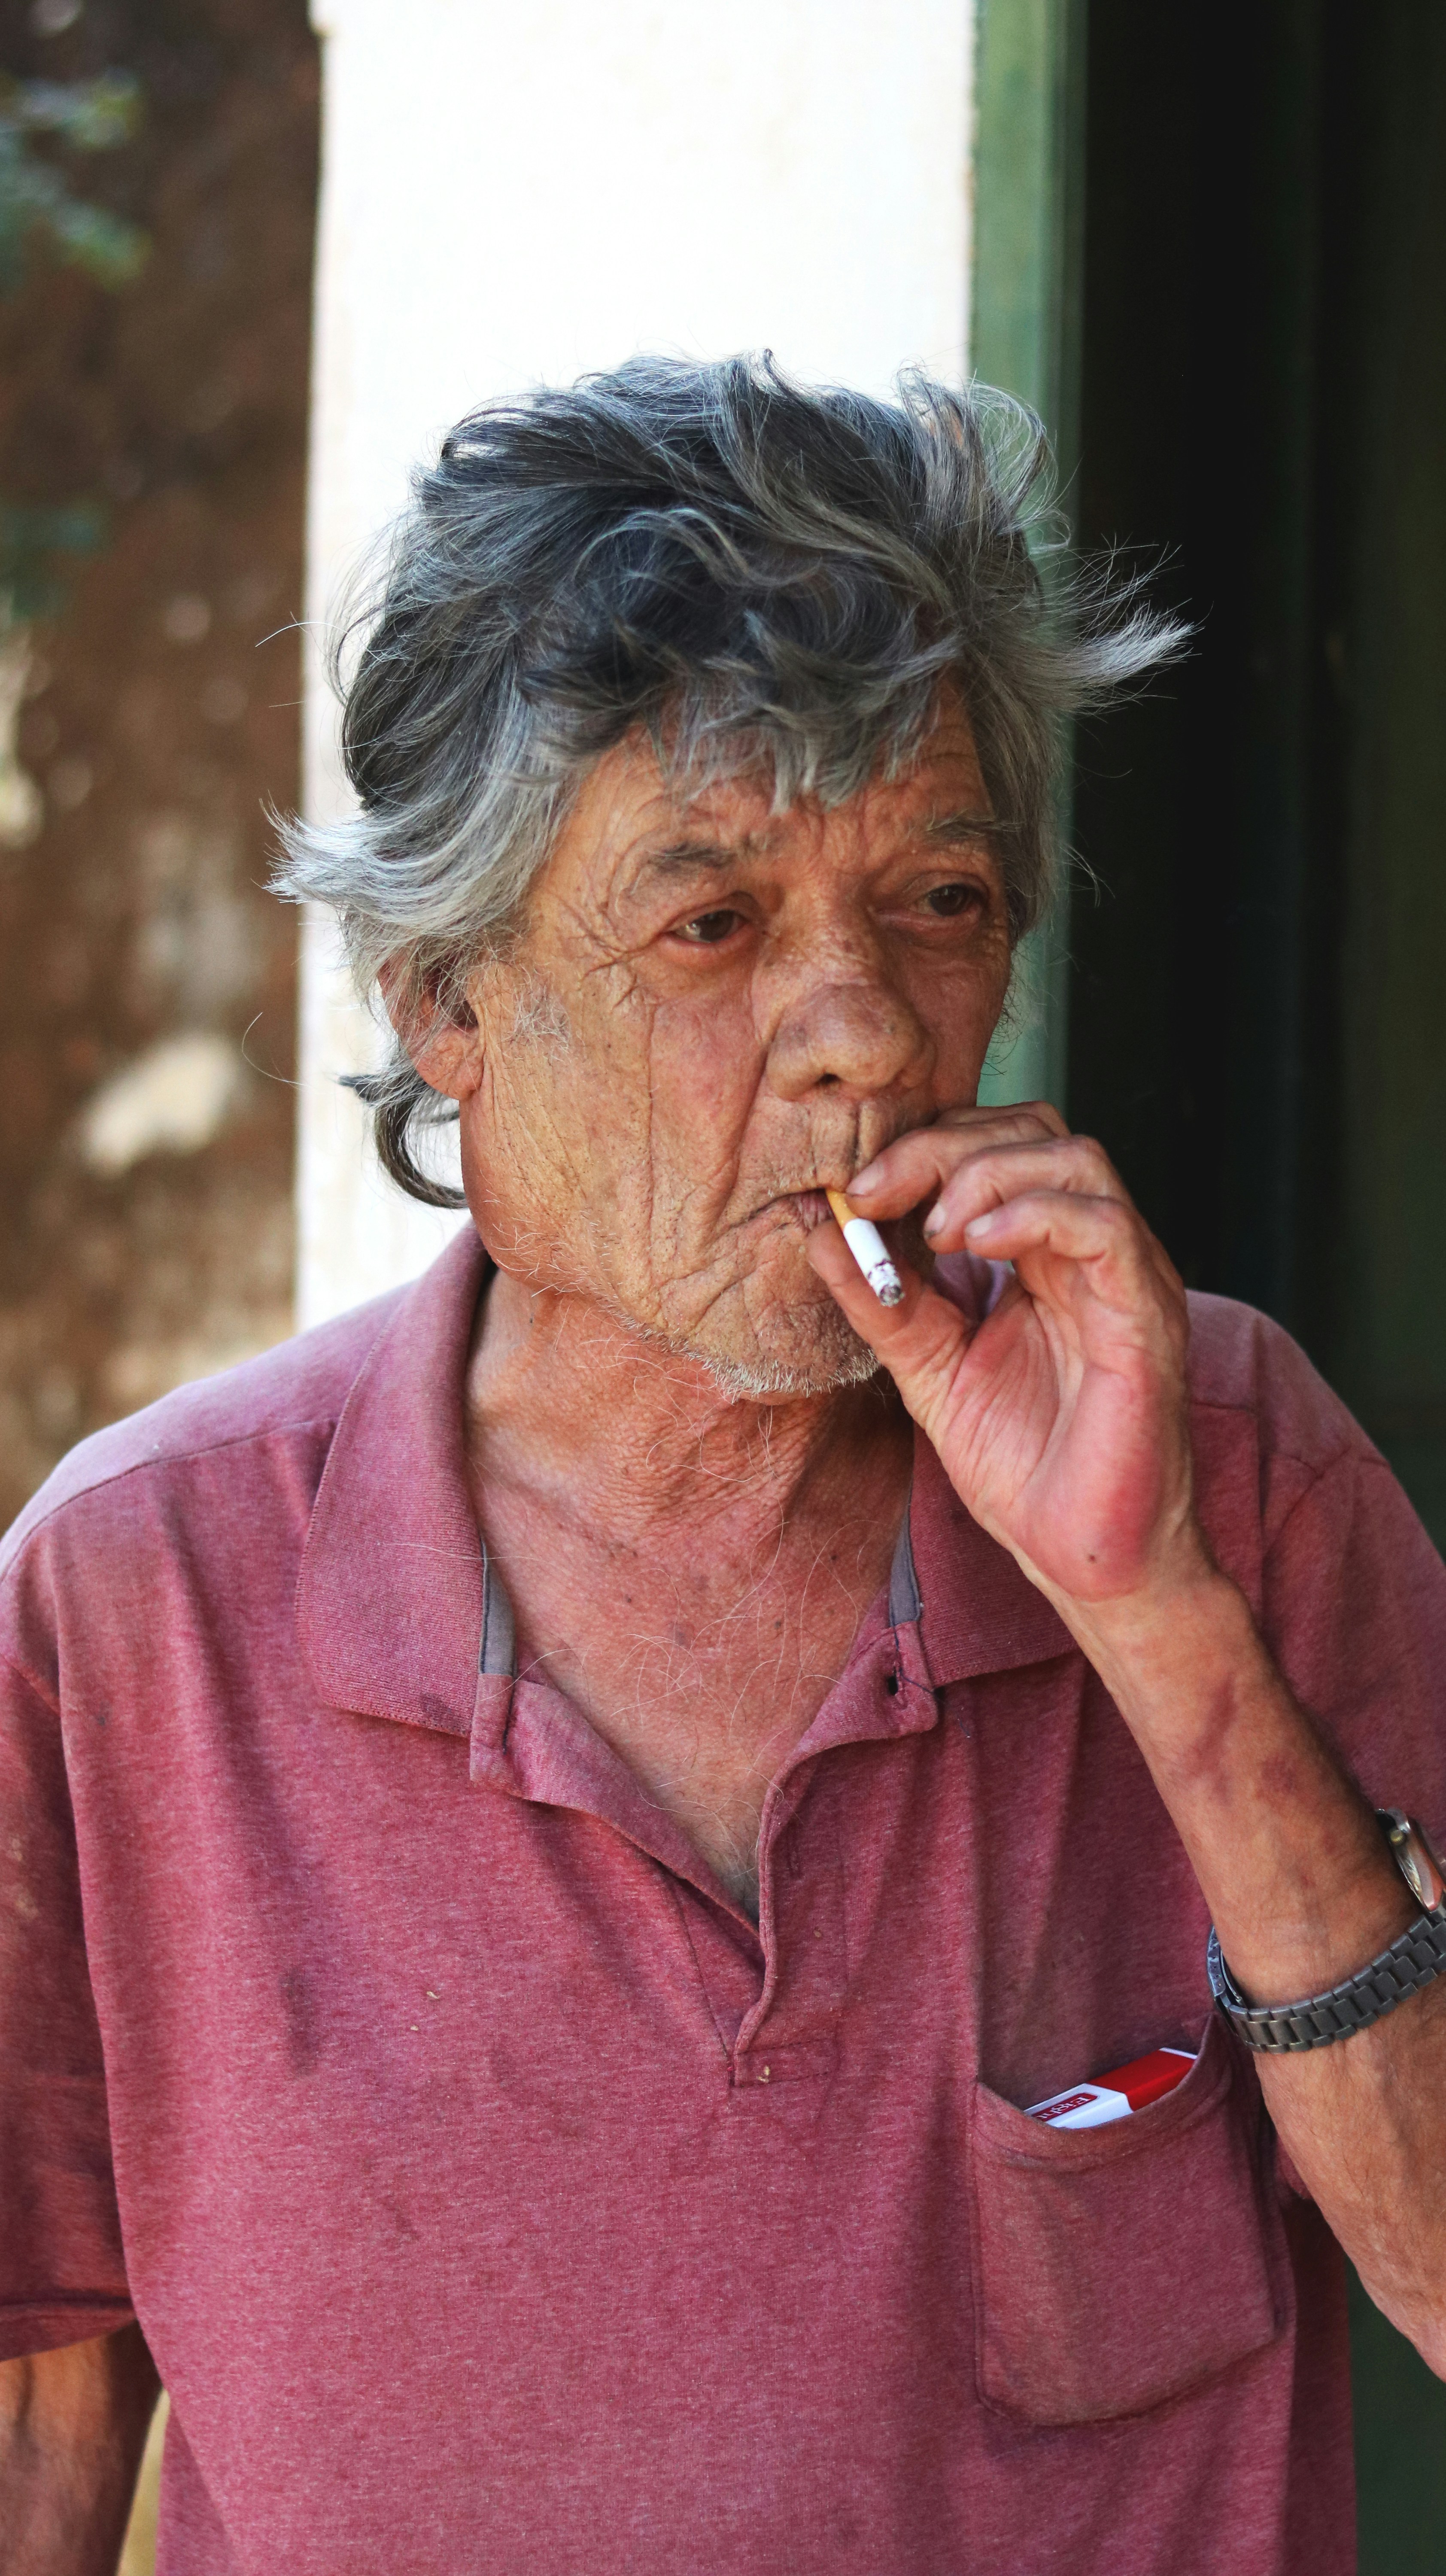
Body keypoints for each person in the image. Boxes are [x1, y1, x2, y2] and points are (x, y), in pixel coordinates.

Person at [2, 358, 1443, 2576]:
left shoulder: (1226, 1473)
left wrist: (1153, 1614)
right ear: (446, 1008)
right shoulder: (138, 1605)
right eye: (714, 926)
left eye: (940, 903)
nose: (862, 1028)